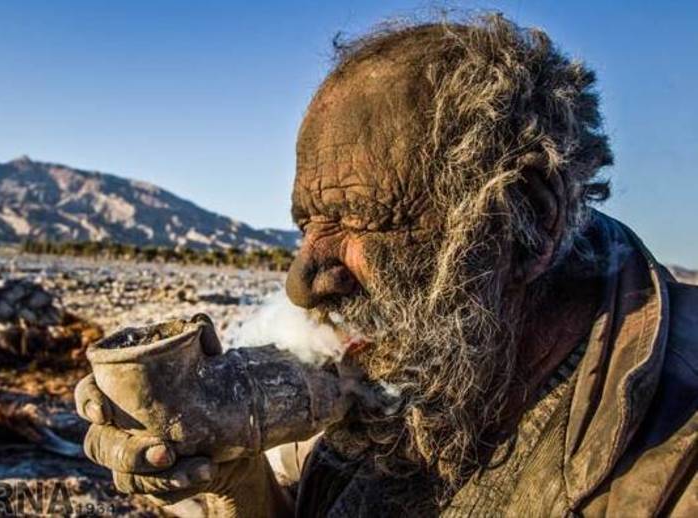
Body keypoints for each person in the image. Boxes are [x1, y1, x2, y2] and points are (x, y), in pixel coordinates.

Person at [75, 14, 697, 517]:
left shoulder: (676, 462)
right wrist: (236, 485)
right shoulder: (405, 375)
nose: (302, 284)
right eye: (306, 224)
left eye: (357, 218)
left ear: (521, 221)